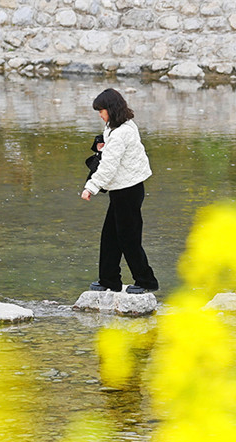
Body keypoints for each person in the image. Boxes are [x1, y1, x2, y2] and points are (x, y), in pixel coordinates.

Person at [80, 88, 159, 295]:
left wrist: (91, 187)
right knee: (110, 236)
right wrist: (101, 146)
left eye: (101, 110)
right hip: (121, 190)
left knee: (128, 238)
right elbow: (110, 153)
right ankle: (109, 280)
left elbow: (109, 167)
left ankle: (146, 281)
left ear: (111, 109)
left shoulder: (122, 132)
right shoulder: (119, 126)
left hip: (128, 191)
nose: (100, 114)